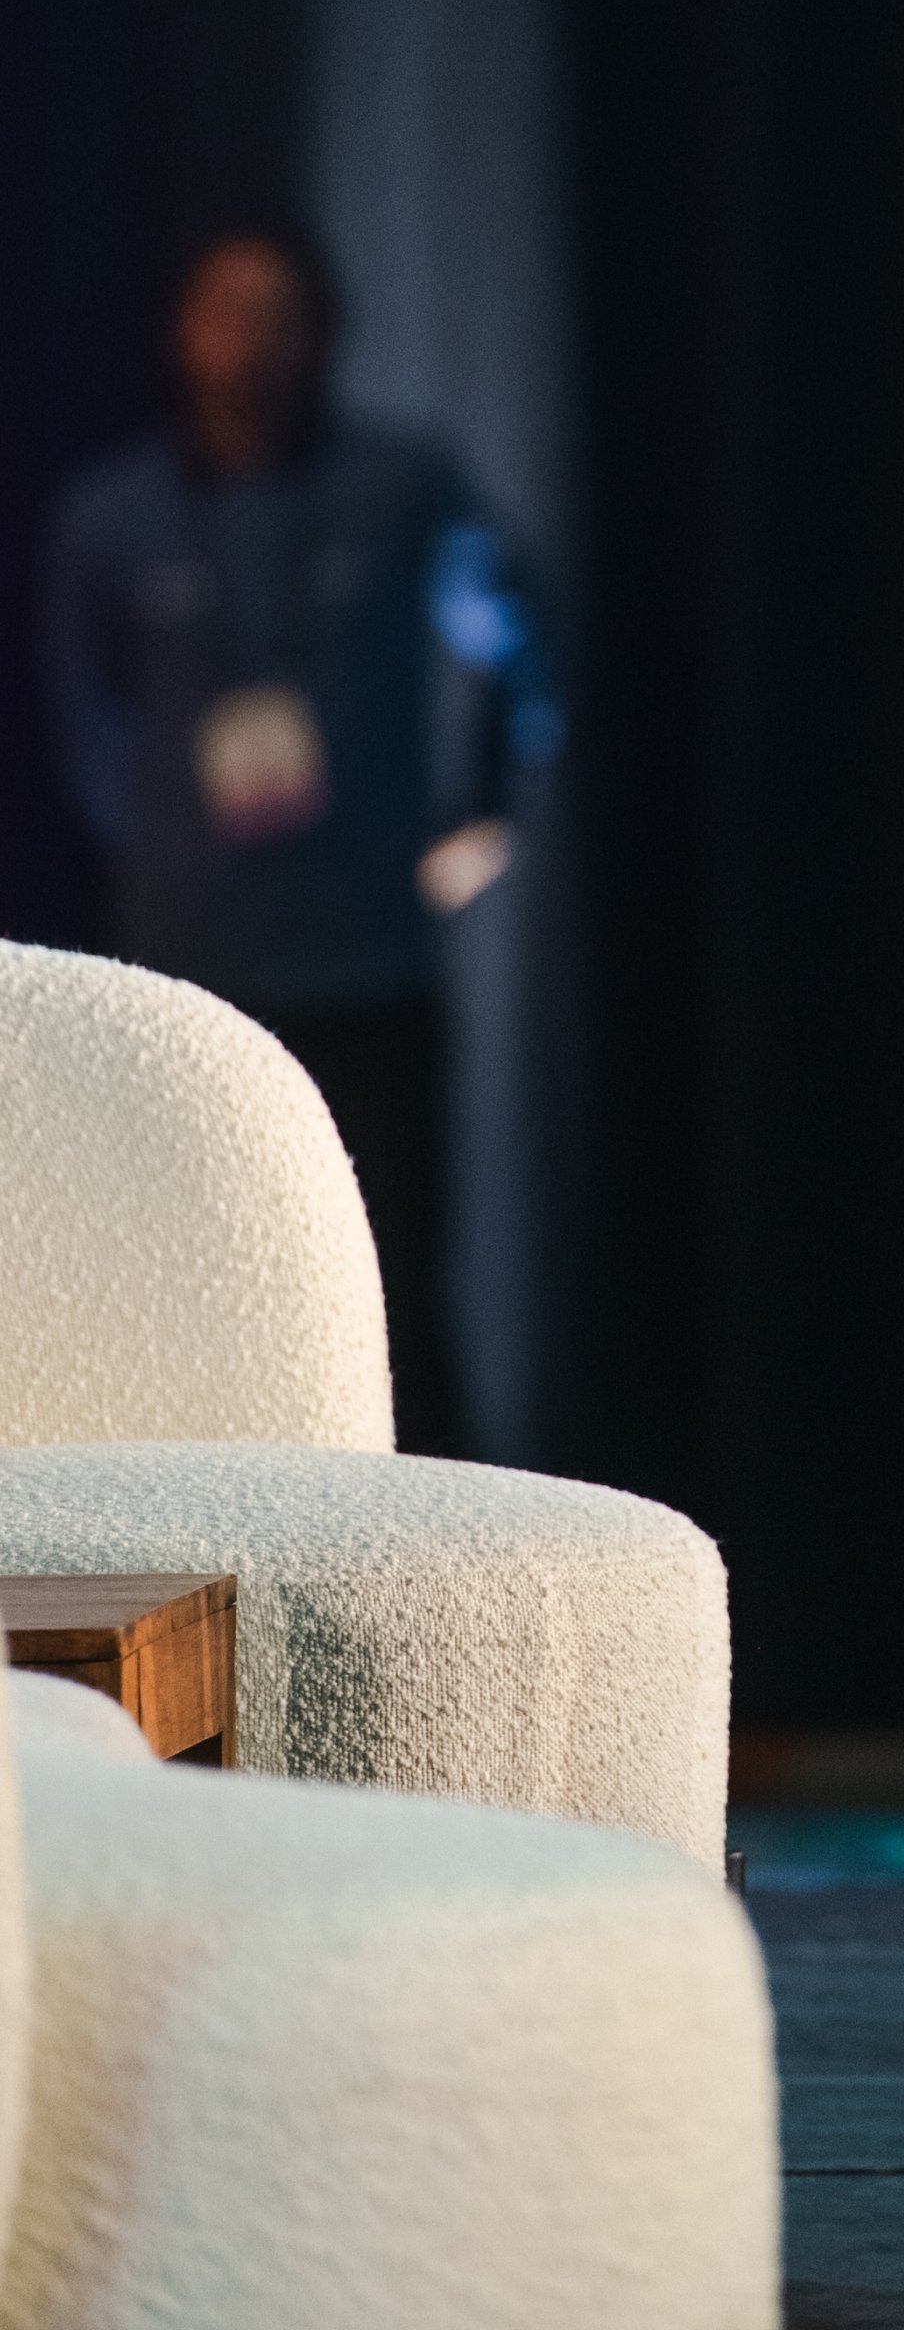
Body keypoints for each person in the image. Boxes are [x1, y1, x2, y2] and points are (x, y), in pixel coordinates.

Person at [44, 226, 560, 1456]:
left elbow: (522, 636)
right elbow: (83, 715)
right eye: (223, 313)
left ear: (324, 335)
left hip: (365, 966)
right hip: (184, 988)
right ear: (182, 333)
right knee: (168, 1319)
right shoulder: (113, 517)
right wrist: (166, 854)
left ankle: (439, 1615)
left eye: (276, 316)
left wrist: (484, 815)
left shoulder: (404, 489)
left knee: (392, 1311)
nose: (249, 345)